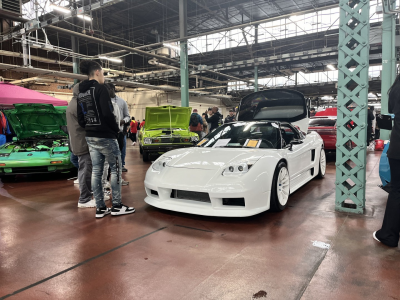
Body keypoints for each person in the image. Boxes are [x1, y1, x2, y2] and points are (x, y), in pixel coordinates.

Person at [77, 60, 135, 218]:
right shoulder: (101, 89)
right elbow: (107, 113)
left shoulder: (81, 92)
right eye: (102, 73)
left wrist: (89, 127)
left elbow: (81, 118)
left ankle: (101, 208)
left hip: (90, 136)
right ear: (97, 72)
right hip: (106, 136)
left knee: (96, 171)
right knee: (115, 169)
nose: (103, 76)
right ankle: (116, 206)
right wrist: (116, 130)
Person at [67, 83, 109, 208]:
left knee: (88, 169)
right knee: (86, 170)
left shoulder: (74, 103)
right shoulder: (78, 105)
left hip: (81, 141)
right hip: (82, 142)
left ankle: (94, 194)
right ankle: (84, 199)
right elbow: (88, 123)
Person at [374, 74, 400, 247]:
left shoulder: (396, 89)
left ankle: (389, 235)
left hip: (398, 148)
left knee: (397, 191)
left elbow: (391, 109)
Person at [107, 83, 130, 172]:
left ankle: (122, 165)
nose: (107, 91)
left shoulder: (122, 102)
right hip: (109, 132)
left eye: (109, 89)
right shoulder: (104, 101)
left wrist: (123, 121)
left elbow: (127, 116)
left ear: (113, 89)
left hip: (120, 131)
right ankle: (111, 166)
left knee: (122, 149)